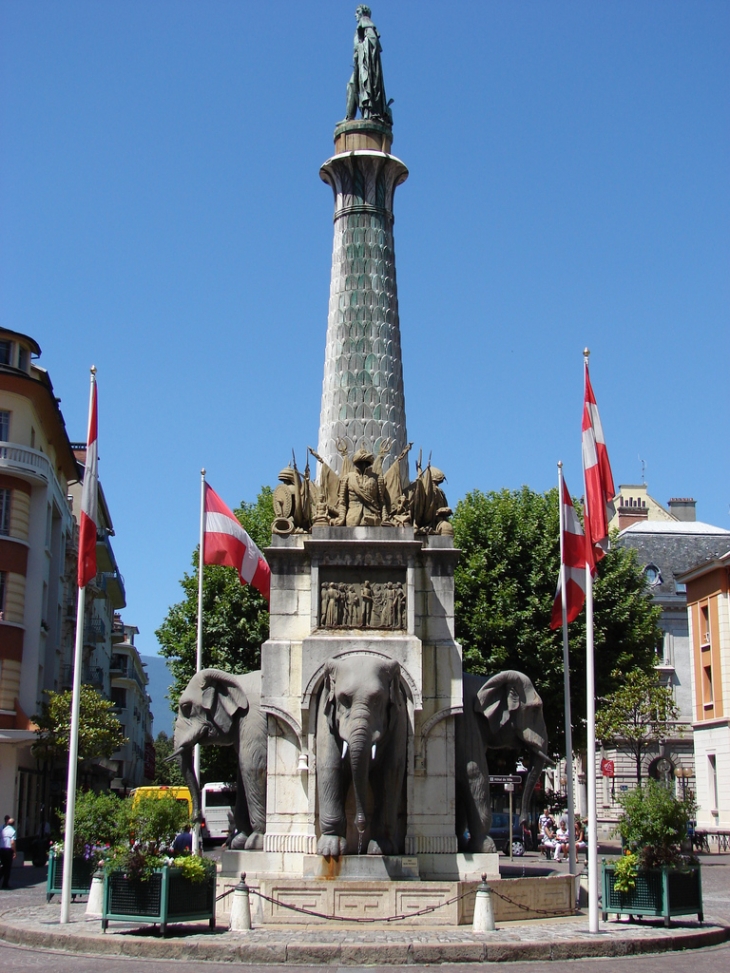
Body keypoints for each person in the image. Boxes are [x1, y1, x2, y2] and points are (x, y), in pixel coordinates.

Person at [0, 815, 17, 889]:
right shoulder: (12, 831)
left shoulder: (2, 829)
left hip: (1, 849)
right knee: (7, 867)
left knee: (3, 866)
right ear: (13, 824)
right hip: (8, 850)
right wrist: (14, 852)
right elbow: (12, 842)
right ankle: (5, 883)